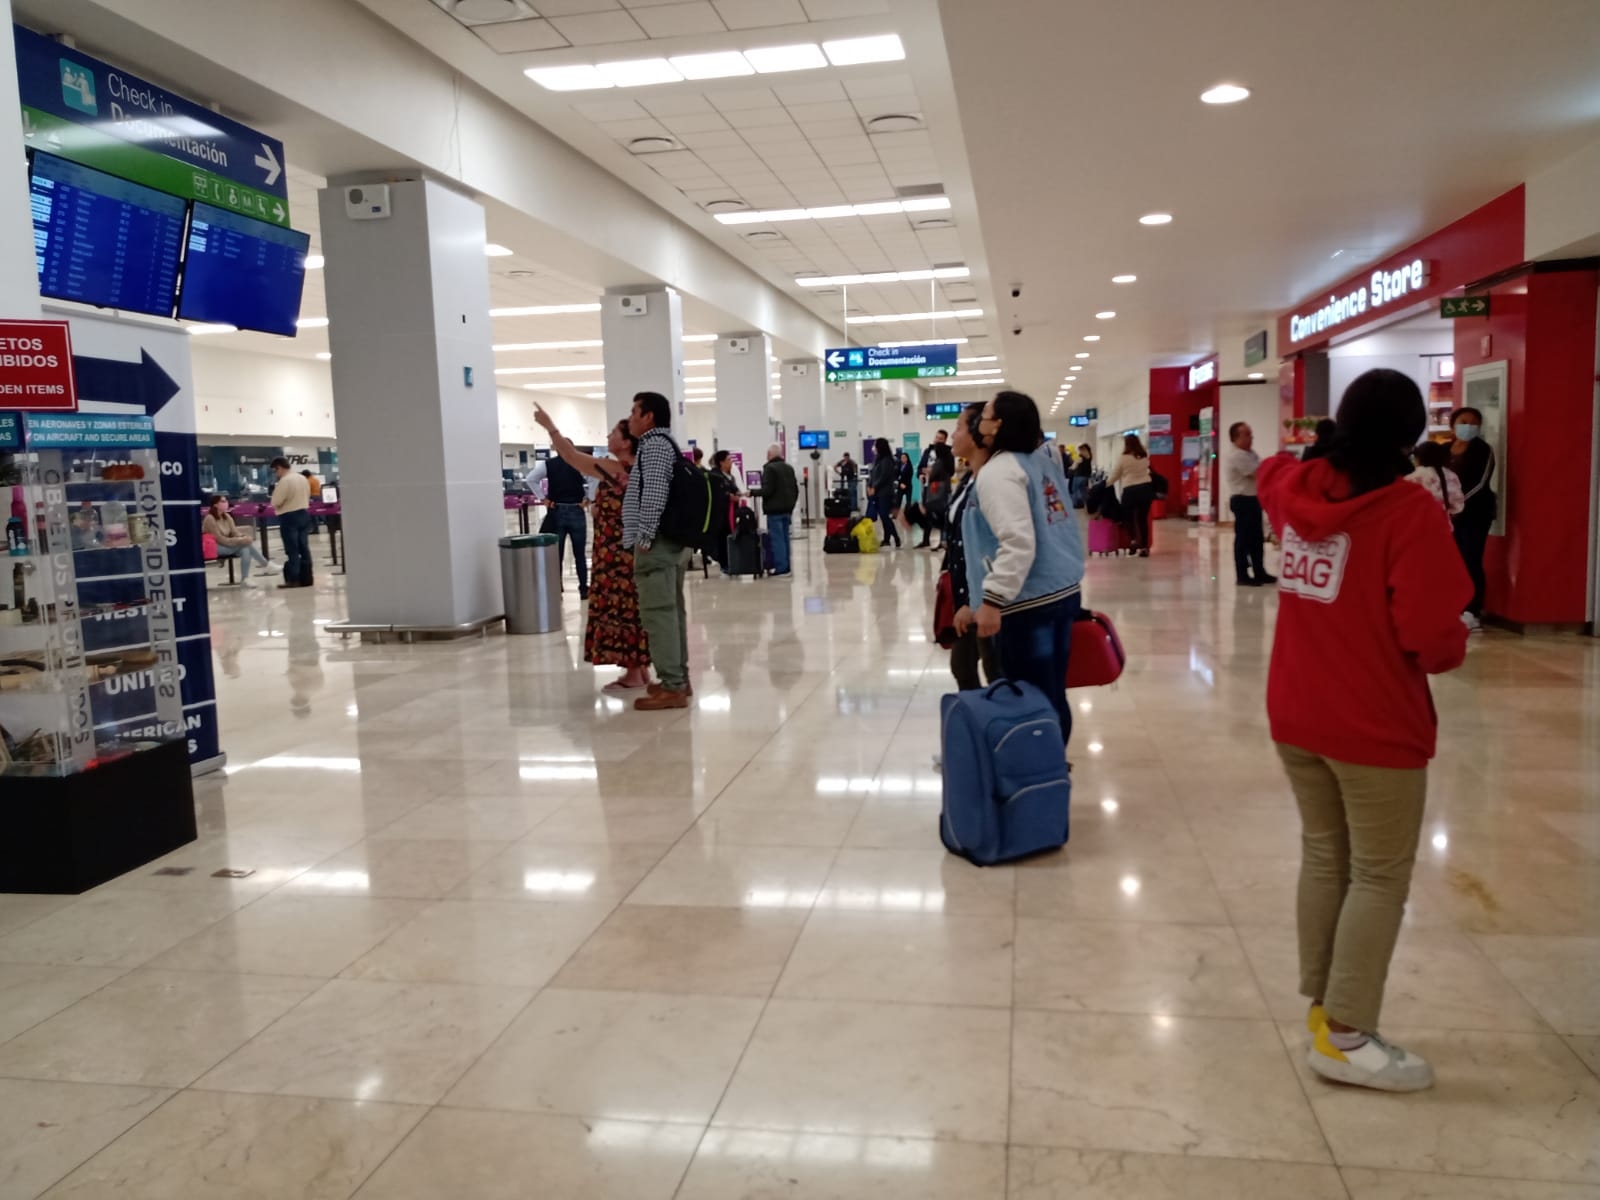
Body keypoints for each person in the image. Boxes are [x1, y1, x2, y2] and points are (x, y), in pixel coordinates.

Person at [1258, 368, 1471, 1093]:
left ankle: (1327, 1009)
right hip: (1373, 721)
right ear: (1410, 436)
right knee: (1378, 876)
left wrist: (1315, 450)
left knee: (1326, 859)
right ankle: (1346, 1036)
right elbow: (1433, 641)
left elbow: (1273, 469)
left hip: (1296, 709)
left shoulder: (1293, 490)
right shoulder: (1409, 514)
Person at [959, 390, 1085, 750]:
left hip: (1030, 603)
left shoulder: (1000, 472)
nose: (978, 421)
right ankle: (1053, 767)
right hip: (1062, 591)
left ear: (997, 425)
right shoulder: (1041, 462)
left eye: (985, 414)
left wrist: (993, 599)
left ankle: (1038, 773)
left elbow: (1017, 542)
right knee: (1051, 691)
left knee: (1030, 698)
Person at [534, 406, 651, 694]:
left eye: (614, 433)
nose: (609, 435)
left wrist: (550, 427)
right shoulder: (639, 471)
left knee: (621, 609)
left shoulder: (617, 470)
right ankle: (640, 667)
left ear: (625, 443)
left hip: (616, 554)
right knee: (633, 609)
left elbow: (571, 457)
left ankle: (634, 672)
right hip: (628, 551)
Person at [624, 391, 692, 710]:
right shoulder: (669, 444)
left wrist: (645, 538)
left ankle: (673, 685)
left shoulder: (652, 446)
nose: (630, 418)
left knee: (659, 613)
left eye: (635, 412)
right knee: (671, 610)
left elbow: (653, 493)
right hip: (673, 542)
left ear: (648, 416)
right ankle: (678, 677)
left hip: (658, 543)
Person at [944, 404, 998, 690]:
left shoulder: (995, 481)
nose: (954, 435)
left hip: (987, 599)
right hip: (968, 593)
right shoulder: (969, 478)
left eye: (959, 427)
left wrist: (973, 602)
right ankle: (981, 728)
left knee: (995, 671)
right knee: (962, 667)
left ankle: (1003, 729)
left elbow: (998, 547)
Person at [1447, 406, 1496, 630]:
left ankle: (1472, 610)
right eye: (1463, 421)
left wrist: (1459, 503)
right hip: (1448, 516)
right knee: (1453, 561)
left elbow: (1481, 482)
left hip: (1475, 514)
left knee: (1471, 558)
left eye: (1473, 423)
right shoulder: (1445, 450)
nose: (1468, 426)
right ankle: (1454, 605)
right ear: (1454, 424)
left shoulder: (1483, 450)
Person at [1224, 423, 1275, 585]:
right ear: (1235, 438)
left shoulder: (1249, 453)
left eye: (1251, 435)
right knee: (1244, 539)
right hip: (1243, 500)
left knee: (1256, 539)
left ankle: (1259, 572)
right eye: (1246, 435)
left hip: (1253, 500)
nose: (1251, 438)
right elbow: (1259, 473)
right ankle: (1242, 575)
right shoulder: (1237, 455)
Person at [539, 447, 591, 601]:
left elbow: (531, 478)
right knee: (579, 554)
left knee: (557, 554)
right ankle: (583, 589)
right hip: (576, 509)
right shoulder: (580, 463)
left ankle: (557, 588)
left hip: (557, 510)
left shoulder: (549, 464)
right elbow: (593, 479)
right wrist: (588, 498)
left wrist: (543, 498)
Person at [203, 495, 278, 584]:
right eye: (222, 501)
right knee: (245, 545)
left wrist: (243, 537)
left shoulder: (226, 516)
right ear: (215, 505)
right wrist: (241, 541)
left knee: (245, 549)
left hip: (227, 544)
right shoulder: (210, 519)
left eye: (226, 501)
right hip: (214, 547)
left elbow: (235, 532)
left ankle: (245, 578)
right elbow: (220, 539)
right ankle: (265, 564)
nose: (226, 503)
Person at [1107, 433, 1156, 557]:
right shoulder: (1144, 456)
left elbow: (1116, 474)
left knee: (1127, 517)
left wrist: (1106, 484)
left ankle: (1133, 540)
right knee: (1142, 519)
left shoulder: (1124, 458)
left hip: (1130, 490)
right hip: (1146, 489)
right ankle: (1144, 547)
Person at [270, 457, 312, 589]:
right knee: (304, 548)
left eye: (275, 471)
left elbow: (276, 501)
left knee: (292, 549)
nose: (276, 474)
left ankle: (293, 579)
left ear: (279, 468)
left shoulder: (285, 481)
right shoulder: (303, 478)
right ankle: (307, 578)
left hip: (289, 517)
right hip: (304, 514)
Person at [760, 443, 799, 576]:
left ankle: (781, 568)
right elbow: (795, 489)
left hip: (774, 510)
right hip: (787, 509)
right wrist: (791, 504)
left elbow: (767, 490)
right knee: (785, 539)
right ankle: (787, 566)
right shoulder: (789, 468)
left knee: (777, 540)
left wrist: (752, 493)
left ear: (770, 455)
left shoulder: (770, 469)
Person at [1406, 440, 1464, 516]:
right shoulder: (1451, 476)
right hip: (1442, 523)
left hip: (1416, 522)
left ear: (1418, 459)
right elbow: (1458, 506)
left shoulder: (1410, 478)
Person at [867, 438, 902, 548]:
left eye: (875, 445)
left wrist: (875, 487)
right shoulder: (878, 459)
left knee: (884, 515)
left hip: (885, 492)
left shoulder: (887, 460)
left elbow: (884, 477)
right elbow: (873, 475)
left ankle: (896, 537)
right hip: (877, 492)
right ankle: (886, 539)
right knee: (883, 516)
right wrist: (870, 485)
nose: (873, 448)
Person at [921, 438, 956, 549]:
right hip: (943, 491)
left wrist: (929, 472)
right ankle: (942, 539)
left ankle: (943, 540)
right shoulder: (946, 461)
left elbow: (933, 475)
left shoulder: (940, 462)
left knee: (938, 515)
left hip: (937, 492)